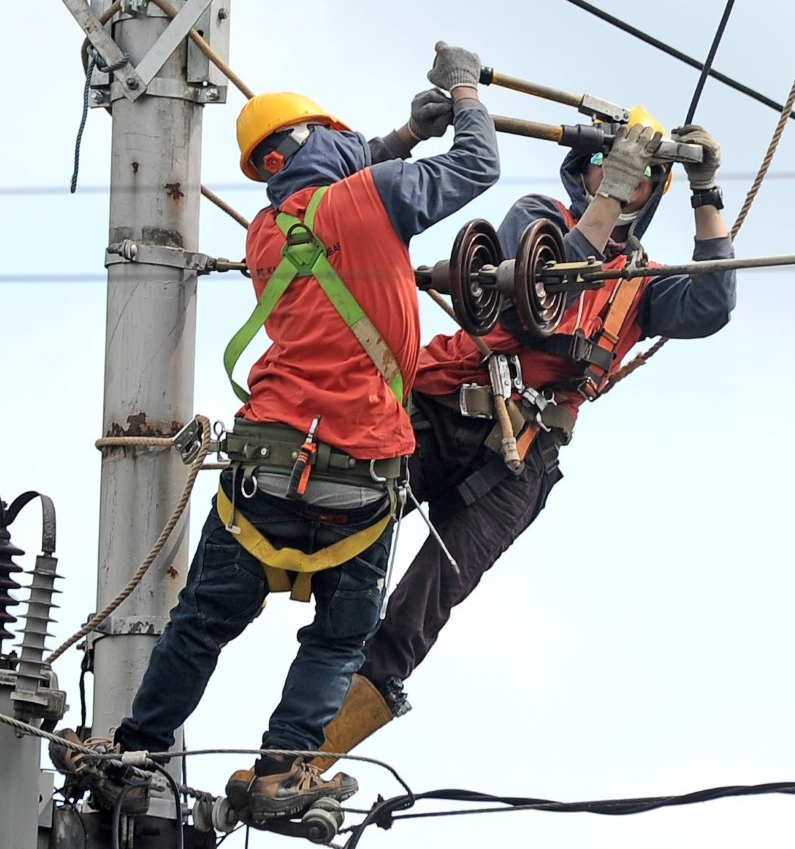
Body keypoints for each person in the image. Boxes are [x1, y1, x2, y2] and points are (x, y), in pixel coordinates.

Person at [65, 42, 499, 823]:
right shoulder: (371, 201)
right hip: (361, 474)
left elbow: (326, 173)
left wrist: (402, 138)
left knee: (201, 624)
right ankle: (282, 770)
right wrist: (464, 92)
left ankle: (132, 750)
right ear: (317, 144)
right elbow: (478, 169)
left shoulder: (267, 233)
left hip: (265, 468)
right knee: (337, 640)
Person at [311, 110, 738, 762]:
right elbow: (534, 292)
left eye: (642, 175)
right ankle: (280, 641)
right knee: (338, 514)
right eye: (610, 164)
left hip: (522, 458)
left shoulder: (641, 289)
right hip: (447, 408)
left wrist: (706, 192)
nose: (621, 180)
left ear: (656, 193)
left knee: (424, 606)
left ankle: (309, 754)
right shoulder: (537, 219)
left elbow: (712, 307)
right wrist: (605, 201)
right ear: (584, 167)